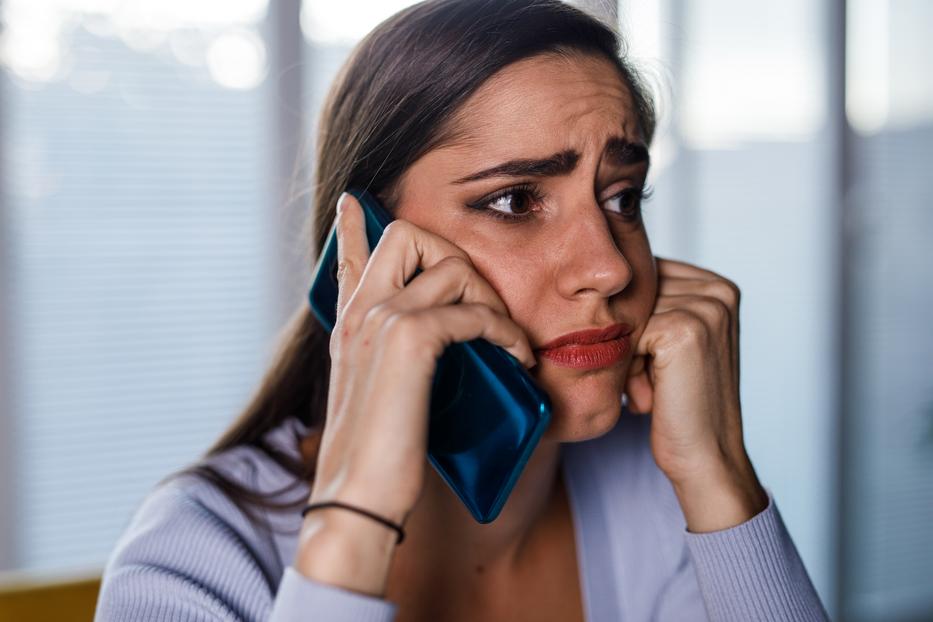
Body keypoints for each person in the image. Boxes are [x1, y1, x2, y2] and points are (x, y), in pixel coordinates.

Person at [94, 0, 830, 620]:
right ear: (368, 254)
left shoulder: (653, 492)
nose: (607, 267)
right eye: (515, 202)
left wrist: (721, 479)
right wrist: (355, 514)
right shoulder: (197, 556)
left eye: (620, 198)